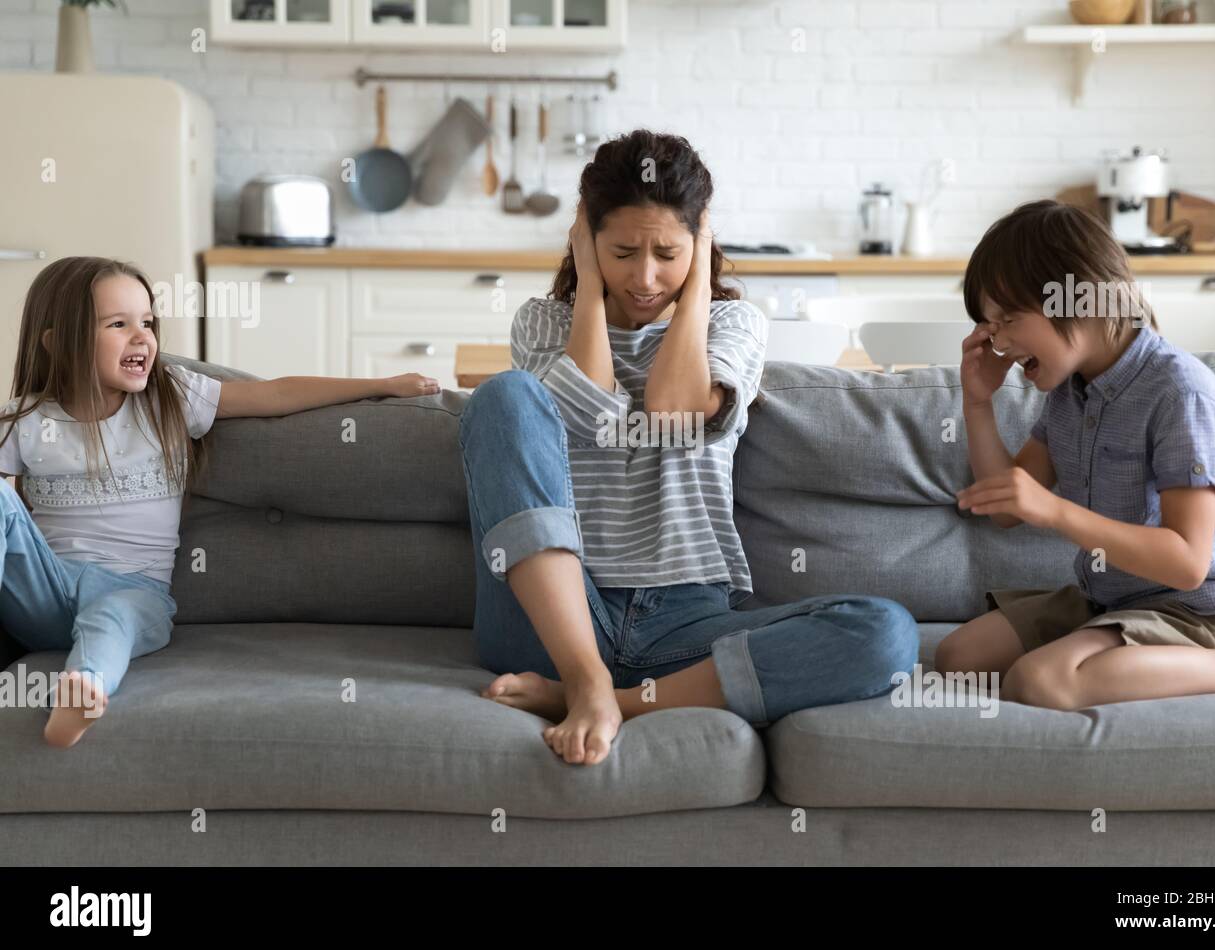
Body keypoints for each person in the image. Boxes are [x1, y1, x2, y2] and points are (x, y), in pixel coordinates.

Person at [459, 129, 918, 766]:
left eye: (668, 253)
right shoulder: (544, 323)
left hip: (685, 618)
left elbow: (676, 409)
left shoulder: (734, 325)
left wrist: (698, 279)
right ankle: (587, 676)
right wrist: (588, 287)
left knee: (887, 635)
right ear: (585, 238)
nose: (645, 277)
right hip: (553, 613)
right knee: (503, 396)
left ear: (699, 243)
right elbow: (587, 415)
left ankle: (603, 699)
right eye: (620, 251)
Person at [0, 256, 439, 747]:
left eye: (148, 322)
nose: (142, 337)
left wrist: (381, 384)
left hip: (135, 592)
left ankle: (82, 691)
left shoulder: (169, 397)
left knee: (110, 619)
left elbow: (274, 394)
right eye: (118, 324)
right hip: (47, 590)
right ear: (59, 344)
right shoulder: (26, 419)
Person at [938, 200, 1215, 709]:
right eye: (988, 324)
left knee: (1041, 682)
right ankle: (1113, 649)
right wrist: (977, 401)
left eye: (1007, 319)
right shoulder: (1070, 393)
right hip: (1117, 597)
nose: (996, 341)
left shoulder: (1180, 393)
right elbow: (1003, 512)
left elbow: (1188, 563)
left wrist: (1057, 511)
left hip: (1206, 607)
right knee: (959, 658)